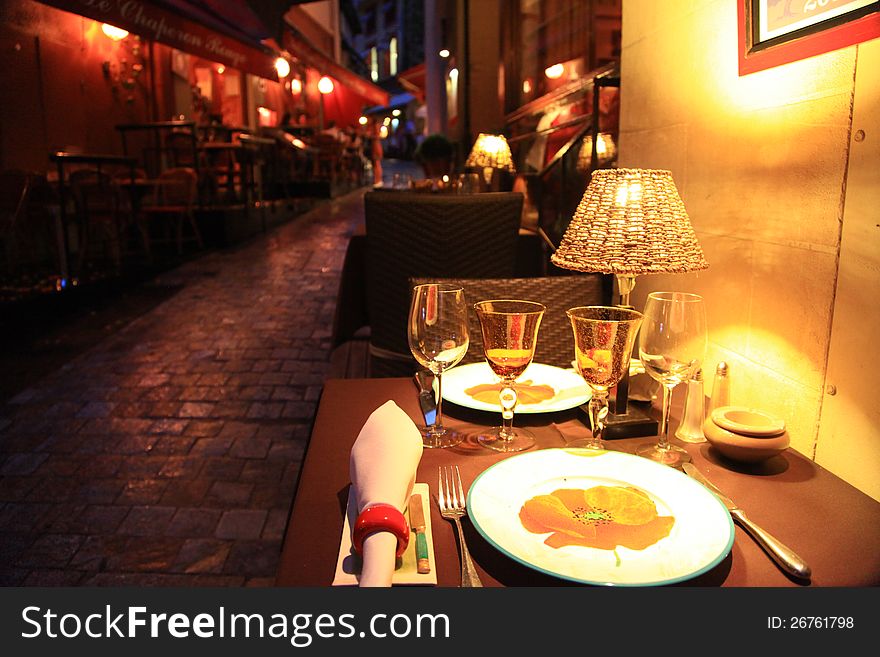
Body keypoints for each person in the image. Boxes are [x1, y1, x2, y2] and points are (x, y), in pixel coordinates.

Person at [369, 120, 383, 186]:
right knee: (376, 164)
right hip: (375, 146)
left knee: (377, 164)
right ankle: (377, 179)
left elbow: (377, 136)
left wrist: (370, 136)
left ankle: (378, 180)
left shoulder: (375, 128)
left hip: (376, 147)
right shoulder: (375, 129)